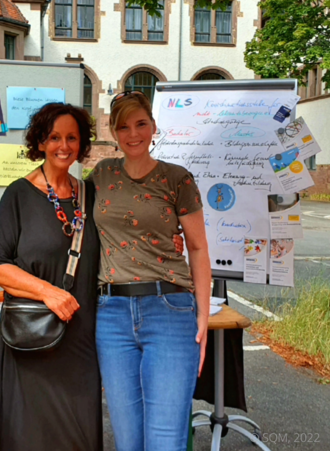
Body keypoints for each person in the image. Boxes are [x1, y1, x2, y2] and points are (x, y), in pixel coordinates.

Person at [90, 91, 211, 451]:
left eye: (140, 123)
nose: (133, 133)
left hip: (169, 310)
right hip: (111, 315)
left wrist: (203, 316)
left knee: (165, 439)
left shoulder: (177, 178)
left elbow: (199, 248)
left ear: (154, 127)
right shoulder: (101, 174)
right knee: (127, 439)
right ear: (113, 131)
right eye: (123, 126)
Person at [0, 103, 103, 451]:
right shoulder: (18, 195)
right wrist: (47, 292)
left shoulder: (90, 195)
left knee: (78, 433)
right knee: (29, 434)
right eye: (54, 137)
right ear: (40, 142)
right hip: (31, 336)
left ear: (81, 144)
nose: (63, 146)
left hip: (81, 339)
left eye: (71, 138)